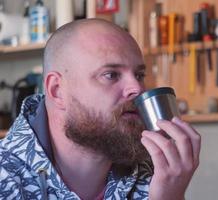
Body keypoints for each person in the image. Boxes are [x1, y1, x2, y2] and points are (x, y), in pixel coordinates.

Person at [0, 19, 201, 200]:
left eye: (139, 75)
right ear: (57, 90)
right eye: (111, 75)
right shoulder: (5, 181)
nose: (137, 89)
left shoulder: (156, 172)